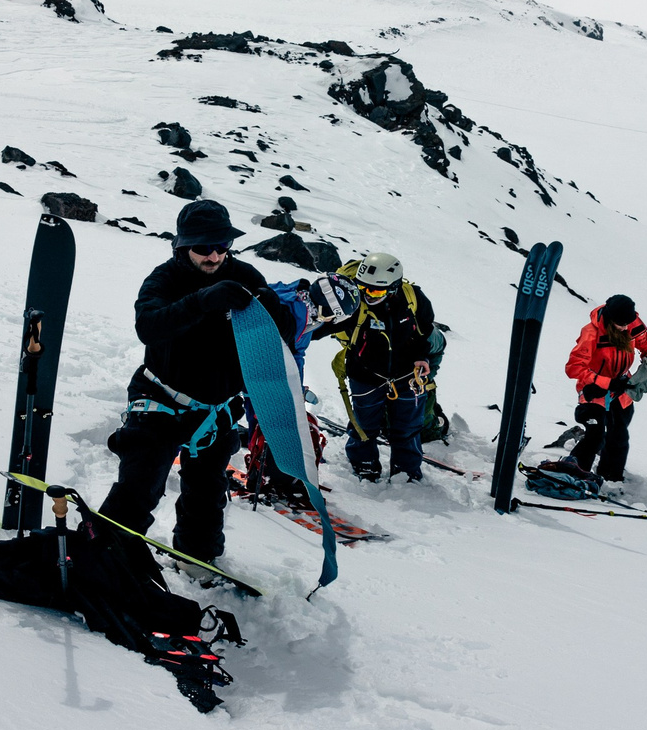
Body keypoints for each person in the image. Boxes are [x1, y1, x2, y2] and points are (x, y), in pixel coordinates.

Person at [99, 200, 294, 580]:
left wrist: (276, 312)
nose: (214, 255)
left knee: (206, 492)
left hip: (216, 409)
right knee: (140, 485)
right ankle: (105, 553)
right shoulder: (164, 279)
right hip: (161, 400)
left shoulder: (244, 273)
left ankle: (196, 558)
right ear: (182, 246)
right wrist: (203, 301)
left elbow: (278, 339)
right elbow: (149, 326)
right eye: (204, 247)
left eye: (222, 246)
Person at [321, 252, 436, 482]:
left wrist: (422, 357)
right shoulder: (355, 303)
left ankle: (407, 472)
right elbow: (324, 326)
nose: (367, 295)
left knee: (408, 427)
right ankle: (364, 465)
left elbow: (424, 331)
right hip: (365, 375)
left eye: (376, 291)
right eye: (363, 288)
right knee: (364, 424)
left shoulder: (414, 299)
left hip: (407, 377)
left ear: (394, 287)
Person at [558, 294, 647, 482]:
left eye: (627, 324)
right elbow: (573, 367)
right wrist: (604, 382)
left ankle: (610, 479)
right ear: (610, 318)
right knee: (595, 436)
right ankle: (572, 475)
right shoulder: (591, 333)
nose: (625, 328)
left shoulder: (630, 321)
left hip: (621, 390)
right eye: (620, 324)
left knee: (619, 438)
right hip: (594, 390)